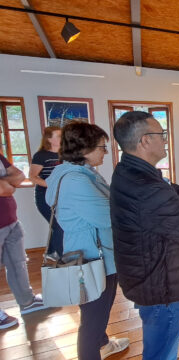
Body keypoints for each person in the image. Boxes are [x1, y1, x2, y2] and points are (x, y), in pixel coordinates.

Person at [110, 111, 179, 360]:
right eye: (161, 134)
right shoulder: (147, 188)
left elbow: (173, 194)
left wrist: (176, 195)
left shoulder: (127, 171)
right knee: (160, 350)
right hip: (161, 285)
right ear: (144, 141)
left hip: (148, 274)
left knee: (159, 341)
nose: (165, 140)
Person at [45, 122, 129, 359]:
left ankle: (103, 344)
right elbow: (108, 216)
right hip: (94, 257)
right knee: (93, 318)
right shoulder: (76, 180)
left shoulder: (80, 173)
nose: (105, 152)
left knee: (95, 312)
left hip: (93, 252)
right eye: (102, 147)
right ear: (84, 148)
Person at [0, 150, 47, 330]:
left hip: (10, 220)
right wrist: (8, 182)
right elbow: (6, 188)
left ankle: (27, 302)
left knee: (17, 263)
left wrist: (8, 182)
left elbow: (19, 176)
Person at [28, 126, 64, 260]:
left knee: (60, 224)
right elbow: (32, 176)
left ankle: (50, 253)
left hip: (61, 196)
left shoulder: (64, 154)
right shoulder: (41, 155)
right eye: (58, 136)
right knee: (58, 225)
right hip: (44, 197)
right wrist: (51, 185)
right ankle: (61, 257)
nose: (62, 138)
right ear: (49, 139)